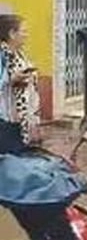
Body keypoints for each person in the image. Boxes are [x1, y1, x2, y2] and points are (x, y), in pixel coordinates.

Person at [0, 14, 40, 146]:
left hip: (20, 121)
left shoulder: (19, 54)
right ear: (12, 33)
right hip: (5, 121)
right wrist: (11, 80)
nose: (26, 35)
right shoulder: (3, 56)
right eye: (24, 31)